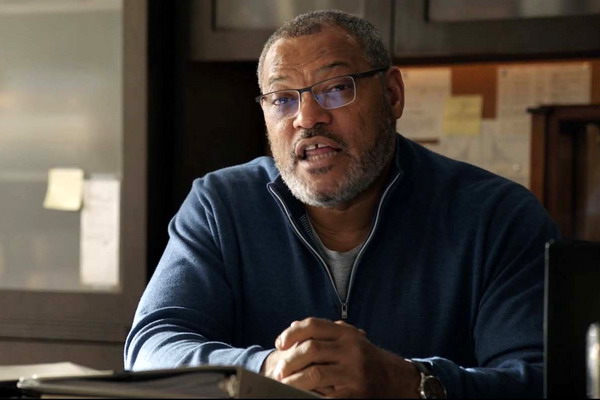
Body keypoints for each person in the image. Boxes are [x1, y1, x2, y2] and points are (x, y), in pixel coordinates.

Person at [124, 9, 560, 398]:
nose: (307, 117)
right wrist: (267, 371)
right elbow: (150, 348)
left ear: (392, 95)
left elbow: (543, 380)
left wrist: (407, 382)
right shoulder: (221, 206)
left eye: (335, 89)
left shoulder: (497, 216)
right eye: (283, 99)